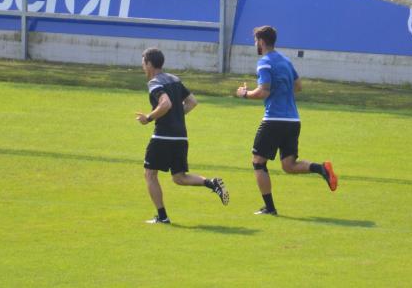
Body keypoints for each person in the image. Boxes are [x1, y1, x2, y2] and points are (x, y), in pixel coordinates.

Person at [235, 25, 337, 216]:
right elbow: (298, 86)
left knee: (258, 162)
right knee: (288, 165)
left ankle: (270, 208)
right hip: (293, 120)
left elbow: (263, 91)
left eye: (256, 40)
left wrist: (244, 94)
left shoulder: (264, 63)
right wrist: (281, 92)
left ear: (262, 42)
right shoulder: (285, 61)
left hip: (274, 120)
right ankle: (321, 168)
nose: (255, 44)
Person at [136, 47, 229, 224]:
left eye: (143, 63)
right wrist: (177, 115)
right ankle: (212, 183)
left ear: (149, 64)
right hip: (181, 137)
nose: (142, 66)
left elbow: (166, 103)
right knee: (179, 177)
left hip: (163, 136)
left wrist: (148, 118)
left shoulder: (154, 83)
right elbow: (192, 102)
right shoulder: (174, 79)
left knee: (150, 175)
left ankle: (162, 217)